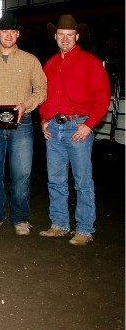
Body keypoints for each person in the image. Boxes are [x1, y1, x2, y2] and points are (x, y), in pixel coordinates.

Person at [38, 15, 110, 246]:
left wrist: (89, 125)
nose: (65, 39)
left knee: (82, 181)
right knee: (56, 180)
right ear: (56, 37)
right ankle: (59, 224)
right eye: (61, 35)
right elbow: (43, 96)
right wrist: (43, 120)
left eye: (70, 35)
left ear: (77, 37)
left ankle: (85, 229)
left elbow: (102, 98)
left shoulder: (90, 63)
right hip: (54, 128)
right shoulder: (50, 64)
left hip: (77, 126)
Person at [0, 13, 47, 236]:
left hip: (21, 125)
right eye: (4, 31)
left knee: (22, 174)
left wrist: (26, 105)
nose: (8, 35)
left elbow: (41, 90)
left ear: (17, 34)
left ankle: (21, 218)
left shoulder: (31, 60)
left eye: (12, 31)